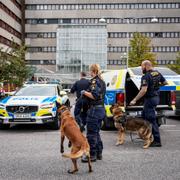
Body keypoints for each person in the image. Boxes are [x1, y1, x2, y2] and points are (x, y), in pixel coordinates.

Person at [130, 60, 167, 147]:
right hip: (156, 98)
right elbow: (165, 83)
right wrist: (156, 87)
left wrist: (134, 100)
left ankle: (157, 141)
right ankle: (146, 136)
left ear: (146, 66)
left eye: (142, 66)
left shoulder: (146, 76)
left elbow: (144, 90)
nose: (141, 68)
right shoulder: (157, 73)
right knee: (144, 117)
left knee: (151, 120)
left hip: (150, 100)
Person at [81, 64, 106, 162]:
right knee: (96, 132)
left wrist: (84, 92)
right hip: (100, 110)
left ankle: (92, 155)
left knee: (91, 133)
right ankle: (99, 153)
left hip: (94, 110)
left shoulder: (94, 81)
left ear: (93, 71)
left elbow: (94, 96)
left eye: (90, 71)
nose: (89, 73)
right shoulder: (102, 81)